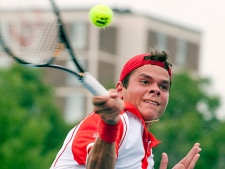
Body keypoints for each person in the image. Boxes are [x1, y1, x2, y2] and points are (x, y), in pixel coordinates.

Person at [50, 49, 201, 169]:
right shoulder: (119, 120)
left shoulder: (143, 145)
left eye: (163, 87)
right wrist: (109, 125)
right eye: (145, 82)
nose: (156, 90)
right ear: (120, 90)